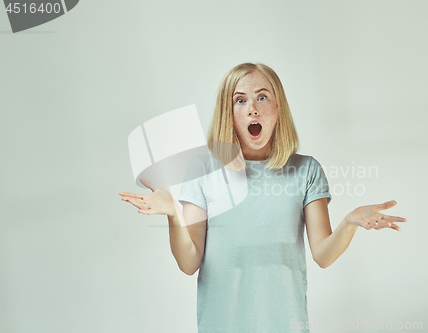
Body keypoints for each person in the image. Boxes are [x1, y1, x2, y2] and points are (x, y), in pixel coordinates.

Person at [119, 62, 407, 332]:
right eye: (240, 100)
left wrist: (349, 223)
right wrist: (173, 215)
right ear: (227, 112)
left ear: (278, 107)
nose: (252, 109)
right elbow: (189, 262)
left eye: (262, 98)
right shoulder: (203, 169)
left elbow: (323, 255)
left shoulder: (306, 170)